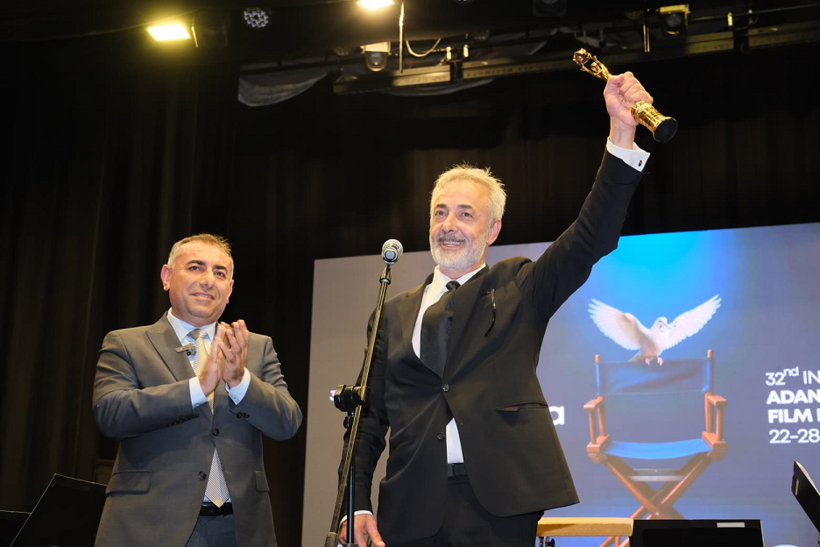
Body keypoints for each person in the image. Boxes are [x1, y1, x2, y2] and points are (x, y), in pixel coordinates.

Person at [339, 72, 654, 546]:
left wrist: (622, 134)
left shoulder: (519, 286)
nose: (449, 224)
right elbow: (368, 418)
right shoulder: (392, 312)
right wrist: (357, 501)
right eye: (440, 212)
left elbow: (591, 235)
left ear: (492, 231)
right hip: (409, 508)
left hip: (498, 507)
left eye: (466, 214)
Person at [93, 233, 302, 547]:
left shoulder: (255, 347)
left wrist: (240, 381)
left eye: (220, 273)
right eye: (195, 267)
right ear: (167, 277)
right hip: (150, 526)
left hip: (240, 530)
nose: (208, 280)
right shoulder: (127, 343)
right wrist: (197, 388)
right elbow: (111, 414)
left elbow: (287, 422)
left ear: (229, 289)